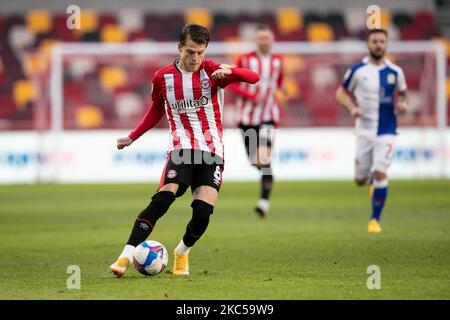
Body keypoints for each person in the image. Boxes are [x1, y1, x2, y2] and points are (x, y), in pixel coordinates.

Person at [110, 24, 259, 277]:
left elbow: (253, 77)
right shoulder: (162, 77)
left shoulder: (212, 72)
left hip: (212, 152)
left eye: (201, 52)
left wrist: (230, 71)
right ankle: (125, 255)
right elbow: (156, 109)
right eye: (190, 52)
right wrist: (133, 136)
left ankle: (181, 252)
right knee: (163, 199)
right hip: (181, 150)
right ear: (180, 48)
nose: (195, 59)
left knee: (202, 213)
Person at [335, 28, 408, 233]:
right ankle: (370, 184)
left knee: (380, 172)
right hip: (364, 131)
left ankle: (374, 220)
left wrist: (403, 105)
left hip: (387, 130)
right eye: (374, 41)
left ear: (386, 44)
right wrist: (352, 108)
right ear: (368, 45)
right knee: (360, 179)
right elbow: (340, 94)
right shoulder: (357, 70)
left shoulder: (395, 72)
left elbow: (404, 94)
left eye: (382, 41)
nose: (378, 45)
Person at [229, 24, 286, 218]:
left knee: (265, 158)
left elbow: (278, 81)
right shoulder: (244, 59)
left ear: (272, 39)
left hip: (269, 116)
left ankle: (263, 202)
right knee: (256, 161)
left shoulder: (278, 61)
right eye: (261, 38)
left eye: (267, 38)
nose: (264, 41)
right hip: (247, 117)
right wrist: (251, 96)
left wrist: (283, 89)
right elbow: (232, 84)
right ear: (256, 40)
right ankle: (263, 184)